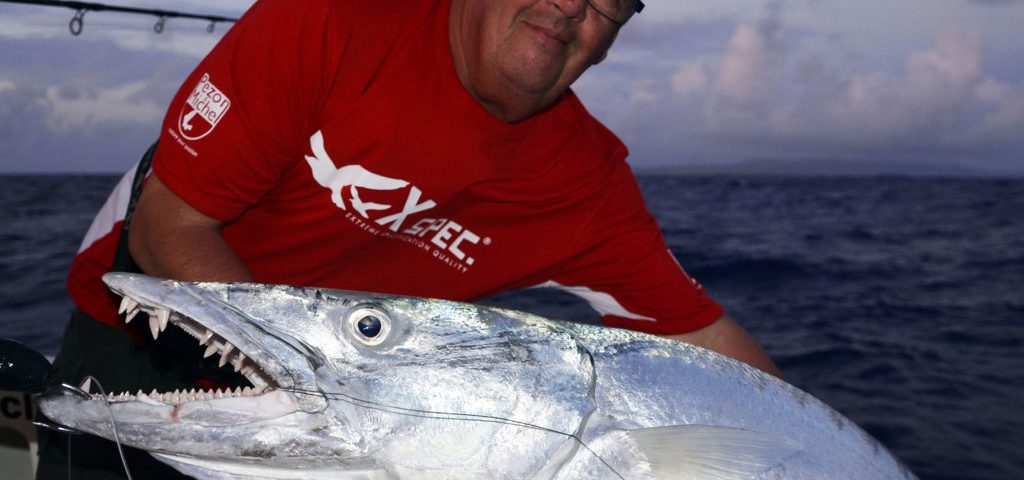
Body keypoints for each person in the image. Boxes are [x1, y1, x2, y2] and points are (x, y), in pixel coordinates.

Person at [39, 0, 779, 478]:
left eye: (607, 3)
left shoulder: (587, 186)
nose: (571, 4)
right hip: (136, 341)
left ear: (612, 39)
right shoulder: (330, 20)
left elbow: (704, 339)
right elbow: (170, 224)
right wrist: (316, 396)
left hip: (341, 414)